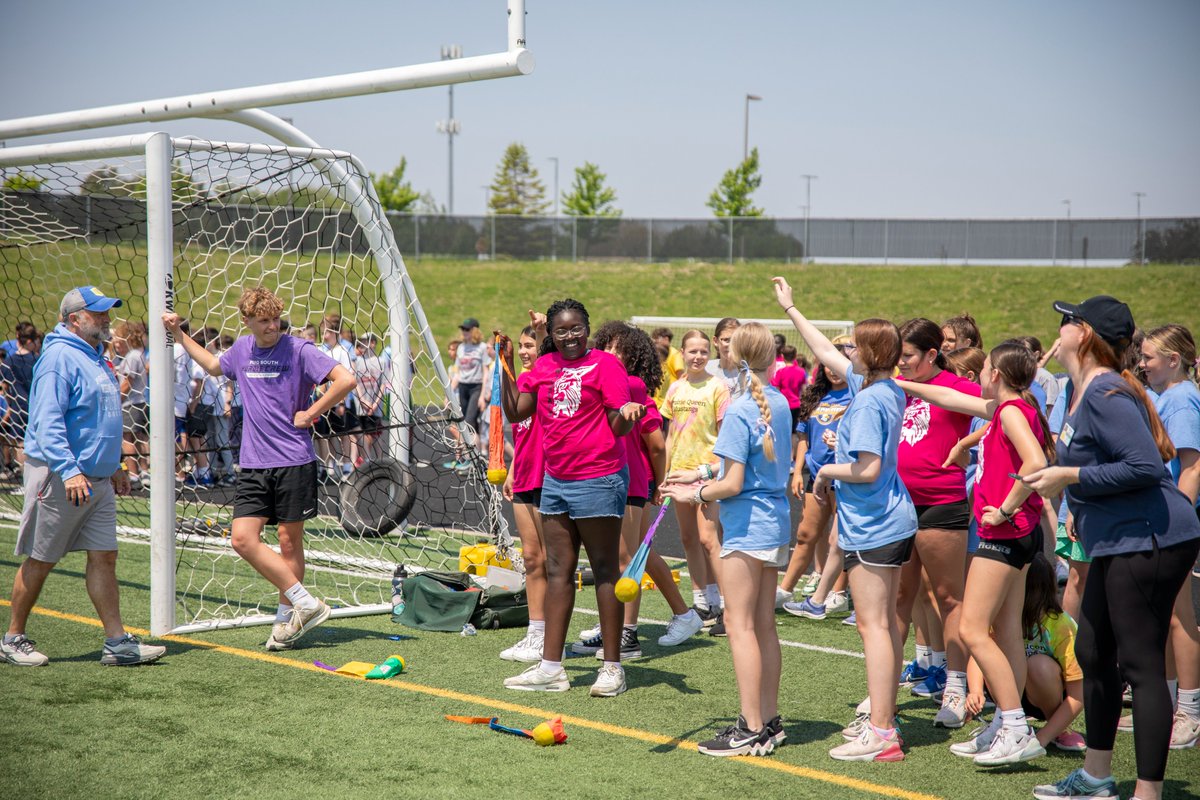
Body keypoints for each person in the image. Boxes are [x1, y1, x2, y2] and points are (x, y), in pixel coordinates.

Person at [1025, 296, 1200, 800]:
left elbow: (1145, 466)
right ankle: (1097, 776)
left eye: (1067, 322)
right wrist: (1079, 502)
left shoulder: (1104, 392)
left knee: (1140, 664)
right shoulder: (1088, 390)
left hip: (1152, 539)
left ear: (1085, 335)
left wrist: (1071, 476)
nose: (1057, 330)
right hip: (1121, 538)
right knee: (1092, 649)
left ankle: (1148, 791)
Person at [163, 286, 356, 651]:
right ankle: (306, 603)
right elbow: (213, 365)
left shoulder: (299, 349)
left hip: (293, 460)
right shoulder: (241, 350)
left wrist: (312, 412)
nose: (272, 327)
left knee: (288, 541)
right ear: (247, 321)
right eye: (263, 321)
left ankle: (286, 624)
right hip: (253, 463)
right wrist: (177, 334)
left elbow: (346, 380)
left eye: (275, 319)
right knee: (241, 539)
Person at [775, 276, 917, 763]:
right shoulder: (879, 384)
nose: (845, 349)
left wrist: (825, 471)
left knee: (874, 628)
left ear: (870, 353)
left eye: (855, 343)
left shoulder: (873, 397)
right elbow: (825, 350)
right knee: (882, 627)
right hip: (888, 520)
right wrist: (793, 310)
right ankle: (883, 720)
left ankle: (881, 731)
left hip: (877, 523)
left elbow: (868, 467)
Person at [899, 340, 1054, 765]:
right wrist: (902, 383)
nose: (978, 374)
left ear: (997, 376)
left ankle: (1015, 724)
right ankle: (1007, 724)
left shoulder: (1008, 412)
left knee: (971, 630)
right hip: (1019, 535)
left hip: (1003, 533)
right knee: (1005, 634)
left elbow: (1035, 462)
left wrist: (1004, 508)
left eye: (984, 369)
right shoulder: (1010, 410)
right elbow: (947, 396)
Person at [1, 286, 165, 668]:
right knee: (41, 558)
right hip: (63, 477)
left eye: (107, 312)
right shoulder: (59, 357)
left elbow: (103, 420)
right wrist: (71, 470)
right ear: (74, 319)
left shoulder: (95, 356)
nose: (107, 319)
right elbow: (47, 423)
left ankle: (117, 642)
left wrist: (118, 466)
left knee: (105, 557)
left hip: (99, 481)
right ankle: (12, 637)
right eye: (98, 313)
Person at [498, 299, 643, 697]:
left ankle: (612, 668)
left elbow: (615, 421)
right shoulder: (544, 367)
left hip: (599, 478)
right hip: (556, 481)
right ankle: (550, 668)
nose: (569, 336)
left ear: (587, 327)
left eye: (576, 328)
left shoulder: (605, 365)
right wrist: (506, 364)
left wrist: (627, 415)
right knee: (559, 572)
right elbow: (515, 411)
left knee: (603, 570)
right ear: (552, 334)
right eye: (560, 330)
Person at [664, 322, 792, 756]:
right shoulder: (778, 401)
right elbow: (744, 467)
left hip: (747, 526)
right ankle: (769, 721)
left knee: (739, 627)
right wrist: (699, 473)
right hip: (774, 522)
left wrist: (694, 492)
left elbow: (733, 483)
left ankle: (750, 726)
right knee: (764, 626)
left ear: (734, 358)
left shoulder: (740, 407)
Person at [580, 321, 703, 659]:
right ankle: (676, 615)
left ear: (631, 356)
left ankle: (628, 633)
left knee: (627, 557)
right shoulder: (609, 380)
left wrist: (659, 483)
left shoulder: (631, 384)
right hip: (616, 478)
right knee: (636, 553)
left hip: (630, 479)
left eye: (614, 347)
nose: (606, 352)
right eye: (604, 344)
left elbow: (657, 443)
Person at [894, 318, 981, 729]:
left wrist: (966, 444)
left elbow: (998, 410)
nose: (901, 363)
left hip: (941, 506)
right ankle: (882, 694)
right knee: (900, 600)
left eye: (908, 356)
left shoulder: (958, 386)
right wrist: (791, 309)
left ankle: (956, 687)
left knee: (951, 600)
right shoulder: (894, 384)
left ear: (932, 354)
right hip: (897, 507)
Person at [1139, 324, 1200, 750]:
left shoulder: (1180, 399)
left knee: (1179, 617)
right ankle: (1163, 707)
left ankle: (1190, 712)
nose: (1141, 364)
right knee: (1162, 616)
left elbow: (1192, 467)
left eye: (1148, 358)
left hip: (1172, 525)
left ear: (1173, 361)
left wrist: (1176, 523)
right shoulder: (1166, 397)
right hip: (1158, 520)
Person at [662, 329, 730, 628]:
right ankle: (704, 602)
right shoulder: (675, 388)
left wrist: (713, 471)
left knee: (709, 539)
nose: (699, 356)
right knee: (689, 538)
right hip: (679, 472)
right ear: (683, 352)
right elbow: (669, 437)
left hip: (707, 474)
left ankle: (730, 606)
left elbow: (726, 436)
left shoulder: (718, 388)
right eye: (693, 351)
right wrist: (663, 474)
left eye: (704, 351)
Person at [781, 348, 853, 618]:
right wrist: (798, 471)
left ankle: (838, 593)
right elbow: (803, 438)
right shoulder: (814, 395)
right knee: (806, 534)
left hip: (846, 474)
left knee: (841, 538)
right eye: (827, 366)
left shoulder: (857, 395)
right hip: (816, 473)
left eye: (838, 365)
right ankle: (785, 589)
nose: (832, 371)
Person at [499, 323, 551, 664]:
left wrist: (545, 335)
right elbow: (520, 431)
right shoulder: (522, 385)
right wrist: (514, 469)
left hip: (551, 479)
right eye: (520, 345)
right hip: (525, 478)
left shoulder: (549, 379)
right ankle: (535, 633)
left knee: (552, 560)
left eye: (529, 345)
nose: (523, 350)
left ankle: (551, 634)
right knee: (531, 558)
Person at [455, 317, 491, 457]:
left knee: (469, 422)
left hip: (476, 387)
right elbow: (458, 373)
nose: (464, 331)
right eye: (462, 329)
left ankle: (471, 457)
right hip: (463, 387)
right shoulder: (461, 347)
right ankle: (474, 455)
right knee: (465, 422)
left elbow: (485, 372)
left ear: (474, 330)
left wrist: (482, 395)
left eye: (467, 329)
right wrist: (449, 393)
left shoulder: (481, 347)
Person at [770, 344, 807, 435]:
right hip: (797, 405)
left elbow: (776, 390)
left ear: (782, 356)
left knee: (782, 431)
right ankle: (793, 449)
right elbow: (804, 389)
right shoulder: (801, 371)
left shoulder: (780, 372)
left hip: (784, 405)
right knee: (794, 432)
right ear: (795, 356)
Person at [651, 326, 685, 410]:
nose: (654, 341)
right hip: (656, 400)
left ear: (666, 339)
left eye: (656, 338)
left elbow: (681, 376)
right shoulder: (654, 353)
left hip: (666, 401)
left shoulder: (674, 354)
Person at [706, 317, 742, 394]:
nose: (732, 345)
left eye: (736, 340)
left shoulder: (746, 373)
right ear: (715, 341)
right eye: (726, 340)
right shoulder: (706, 368)